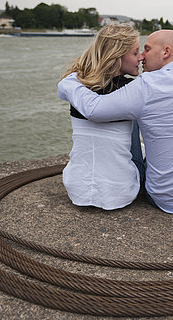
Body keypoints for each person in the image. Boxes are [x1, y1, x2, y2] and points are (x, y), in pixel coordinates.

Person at [58, 29, 173, 217]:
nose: (142, 57)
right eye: (137, 52)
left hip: (160, 196)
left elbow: (94, 109)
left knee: (135, 111)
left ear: (165, 52)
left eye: (147, 50)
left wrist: (70, 83)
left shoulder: (144, 86)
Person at [60, 22, 144, 210]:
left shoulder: (78, 85)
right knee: (138, 118)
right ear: (116, 56)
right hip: (122, 192)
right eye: (135, 53)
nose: (141, 57)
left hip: (76, 189)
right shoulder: (131, 89)